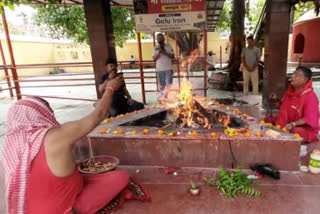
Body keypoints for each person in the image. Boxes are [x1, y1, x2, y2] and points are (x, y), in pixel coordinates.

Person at [2, 76, 150, 213]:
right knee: (121, 177)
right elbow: (98, 115)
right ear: (40, 114)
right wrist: (110, 88)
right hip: (64, 207)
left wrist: (74, 165)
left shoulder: (12, 147)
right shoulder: (54, 137)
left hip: (32, 209)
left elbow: (40, 172)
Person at [268, 66, 319, 143]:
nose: (292, 77)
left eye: (296, 75)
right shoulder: (290, 93)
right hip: (288, 123)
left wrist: (293, 124)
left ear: (305, 80)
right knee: (268, 120)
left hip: (302, 127)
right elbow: (282, 108)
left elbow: (309, 118)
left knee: (296, 131)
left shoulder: (310, 96)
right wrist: (275, 100)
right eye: (293, 74)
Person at [152, 33, 175, 100]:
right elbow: (154, 59)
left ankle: (168, 98)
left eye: (161, 38)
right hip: (159, 69)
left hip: (168, 68)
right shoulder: (155, 48)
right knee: (162, 85)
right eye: (158, 38)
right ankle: (163, 99)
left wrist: (164, 52)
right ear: (157, 39)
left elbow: (172, 56)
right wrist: (159, 53)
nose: (159, 39)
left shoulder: (168, 46)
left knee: (168, 85)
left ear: (163, 38)